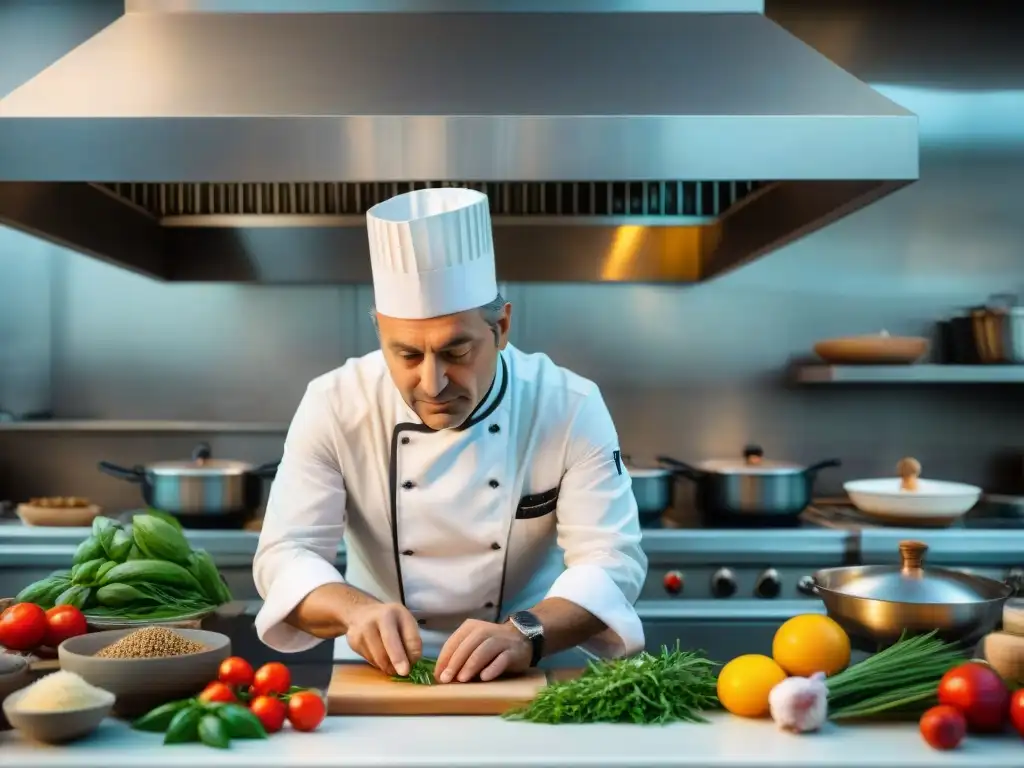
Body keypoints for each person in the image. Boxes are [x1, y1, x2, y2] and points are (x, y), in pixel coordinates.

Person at [253, 187, 647, 684]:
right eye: (408, 355)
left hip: (529, 664)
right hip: (380, 674)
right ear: (379, 333)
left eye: (456, 353)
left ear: (501, 327)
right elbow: (286, 554)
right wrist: (355, 612)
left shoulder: (568, 406)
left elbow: (612, 560)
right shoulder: (334, 404)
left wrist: (526, 633)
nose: (432, 382)